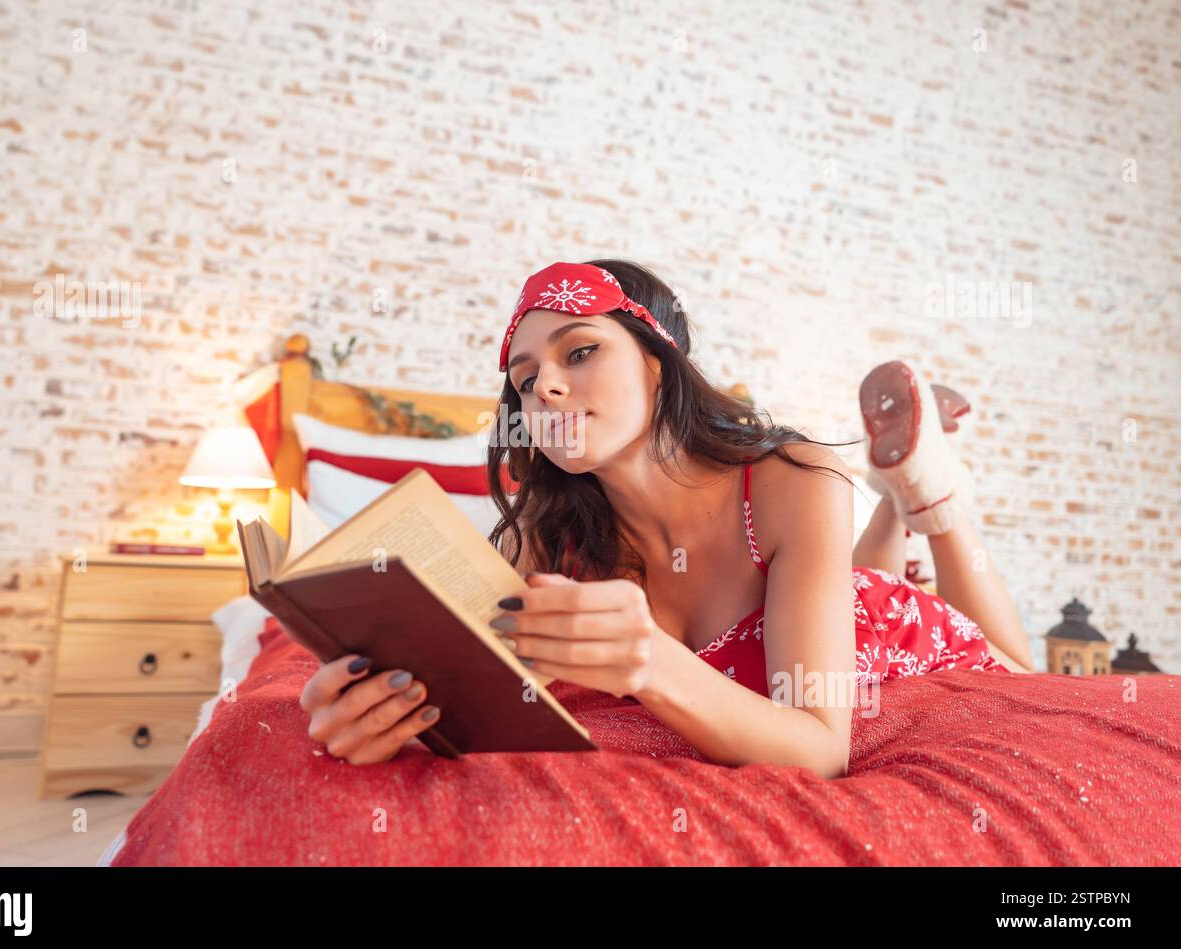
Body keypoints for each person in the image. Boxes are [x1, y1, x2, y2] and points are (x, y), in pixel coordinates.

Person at [300, 259, 1035, 772]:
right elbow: (470, 694)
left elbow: (821, 749)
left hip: (889, 627)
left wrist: (651, 660)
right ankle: (901, 493)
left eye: (579, 351)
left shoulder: (796, 479)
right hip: (823, 596)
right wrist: (381, 716)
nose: (545, 389)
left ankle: (928, 496)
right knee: (846, 578)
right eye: (524, 382)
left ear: (658, 361)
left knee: (1031, 680)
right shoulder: (543, 543)